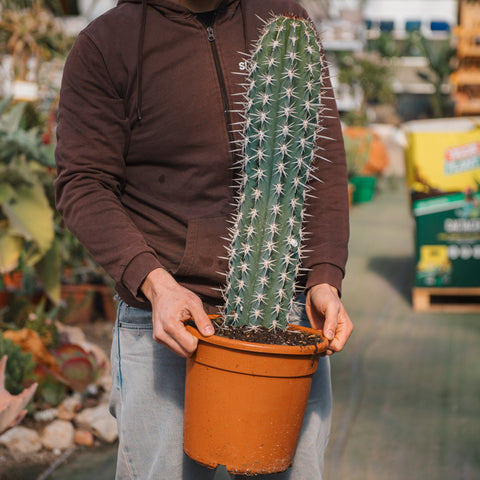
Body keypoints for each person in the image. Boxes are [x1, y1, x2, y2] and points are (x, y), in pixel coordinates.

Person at [54, 0, 353, 478]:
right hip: (168, 322)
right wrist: (155, 283)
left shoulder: (285, 25)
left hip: (285, 318)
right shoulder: (109, 43)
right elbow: (83, 184)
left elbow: (322, 166)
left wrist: (324, 277)